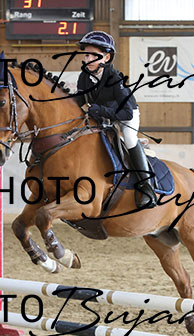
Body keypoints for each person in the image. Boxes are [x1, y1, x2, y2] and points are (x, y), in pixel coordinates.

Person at [77, 31, 157, 209]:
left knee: (129, 139)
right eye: (86, 55)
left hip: (126, 114)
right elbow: (80, 101)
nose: (87, 58)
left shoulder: (114, 78)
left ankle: (147, 187)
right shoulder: (84, 77)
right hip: (103, 115)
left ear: (106, 57)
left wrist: (97, 110)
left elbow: (126, 114)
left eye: (92, 55)